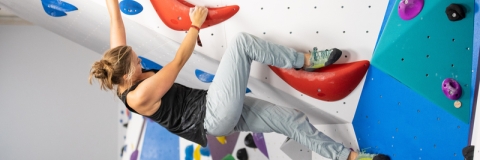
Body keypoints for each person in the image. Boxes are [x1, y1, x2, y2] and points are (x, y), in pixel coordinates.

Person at [89, 0, 390, 160]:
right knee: (242, 44)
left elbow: (116, 19)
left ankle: (349, 158)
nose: (139, 58)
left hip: (214, 107)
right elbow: (178, 61)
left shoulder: (121, 72)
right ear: (128, 75)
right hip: (211, 116)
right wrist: (195, 25)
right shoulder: (139, 96)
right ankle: (307, 62)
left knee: (292, 120)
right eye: (136, 60)